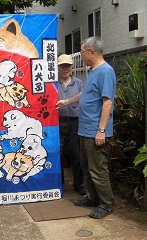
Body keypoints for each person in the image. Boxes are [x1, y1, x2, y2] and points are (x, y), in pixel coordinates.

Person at [56, 36, 116, 219]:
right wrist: (66, 101)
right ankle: (93, 197)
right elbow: (85, 94)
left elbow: (107, 103)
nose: (81, 55)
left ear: (92, 52)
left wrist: (101, 130)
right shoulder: (93, 71)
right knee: (86, 166)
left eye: (82, 51)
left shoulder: (106, 72)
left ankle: (106, 204)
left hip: (94, 131)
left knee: (98, 169)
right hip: (84, 129)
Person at [57, 54, 85, 195]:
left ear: (72, 67)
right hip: (57, 122)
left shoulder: (79, 83)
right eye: (62, 66)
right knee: (59, 154)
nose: (65, 69)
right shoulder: (53, 83)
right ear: (58, 67)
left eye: (68, 66)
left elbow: (85, 101)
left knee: (76, 154)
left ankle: (78, 184)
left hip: (75, 122)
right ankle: (59, 183)